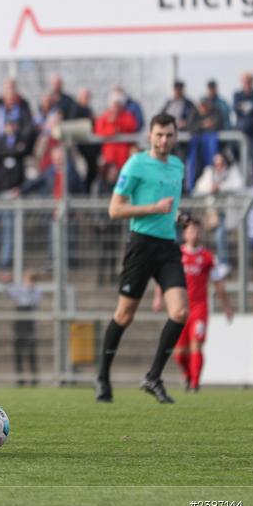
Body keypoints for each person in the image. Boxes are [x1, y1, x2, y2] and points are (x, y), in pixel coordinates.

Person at [95, 113, 186, 405]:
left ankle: (154, 376)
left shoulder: (178, 165)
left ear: (175, 135)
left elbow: (169, 208)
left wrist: (178, 217)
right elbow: (115, 209)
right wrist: (153, 208)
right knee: (124, 315)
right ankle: (103, 377)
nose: (164, 140)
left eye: (169, 135)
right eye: (159, 134)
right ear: (150, 135)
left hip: (168, 246)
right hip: (142, 245)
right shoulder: (135, 164)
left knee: (180, 312)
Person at [152, 216, 233, 392]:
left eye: (197, 230)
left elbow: (218, 284)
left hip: (199, 308)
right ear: (184, 234)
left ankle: (195, 383)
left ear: (201, 233)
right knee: (179, 353)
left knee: (196, 344)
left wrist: (226, 306)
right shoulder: (176, 254)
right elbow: (163, 276)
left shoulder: (208, 257)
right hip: (179, 308)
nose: (194, 233)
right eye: (190, 230)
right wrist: (158, 297)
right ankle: (188, 375)